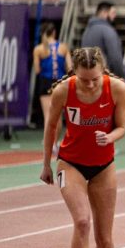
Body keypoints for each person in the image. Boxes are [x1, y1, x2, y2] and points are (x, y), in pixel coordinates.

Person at [39, 47, 125, 248]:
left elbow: (122, 126)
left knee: (105, 238)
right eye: (84, 79)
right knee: (81, 222)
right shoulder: (64, 91)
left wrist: (109, 137)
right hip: (70, 163)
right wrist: (46, 163)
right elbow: (51, 127)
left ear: (103, 72)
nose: (89, 84)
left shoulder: (117, 89)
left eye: (94, 79)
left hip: (103, 165)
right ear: (74, 73)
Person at [32, 22, 72, 151]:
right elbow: (70, 67)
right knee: (58, 116)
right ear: (54, 32)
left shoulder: (39, 49)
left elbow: (37, 70)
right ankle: (55, 142)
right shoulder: (63, 47)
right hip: (60, 83)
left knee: (48, 115)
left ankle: (48, 143)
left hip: (45, 82)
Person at [81, 2, 125, 78]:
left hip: (87, 77)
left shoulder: (86, 31)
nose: (115, 16)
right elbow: (115, 59)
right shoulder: (108, 30)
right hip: (104, 79)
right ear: (104, 12)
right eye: (113, 13)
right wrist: (121, 78)